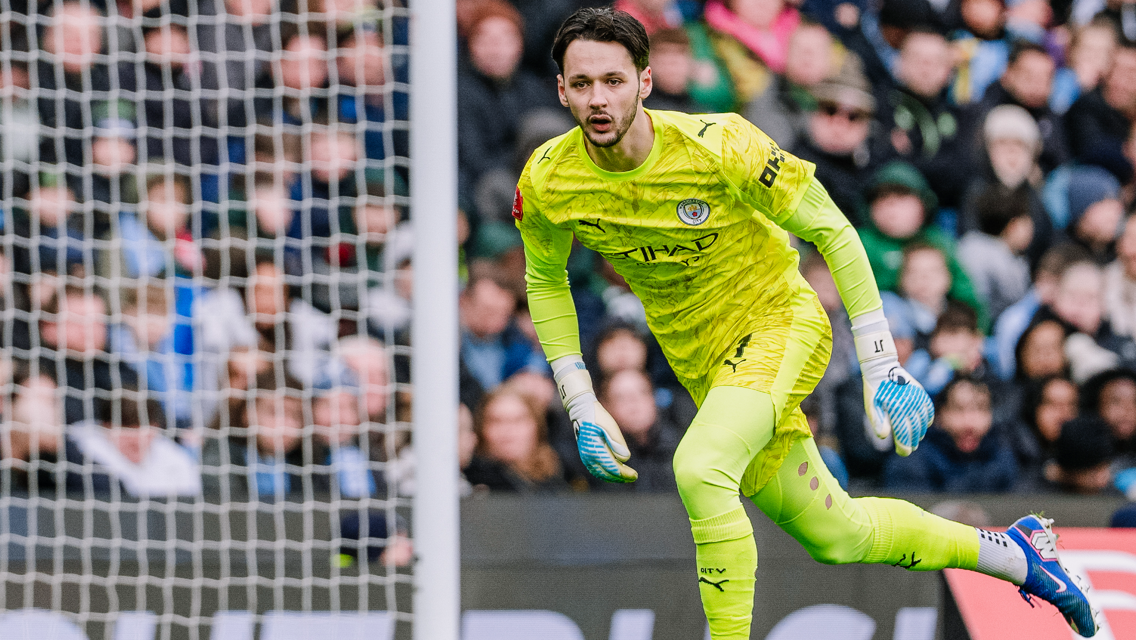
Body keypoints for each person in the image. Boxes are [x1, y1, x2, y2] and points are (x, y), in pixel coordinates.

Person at [516, 9, 1099, 639]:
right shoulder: (549, 179)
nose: (598, 99)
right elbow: (545, 280)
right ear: (561, 90)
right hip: (705, 364)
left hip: (780, 322)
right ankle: (1016, 555)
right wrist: (579, 399)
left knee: (699, 468)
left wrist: (879, 361)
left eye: (613, 80)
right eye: (581, 84)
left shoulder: (721, 145)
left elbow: (833, 230)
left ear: (646, 82)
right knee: (839, 535)